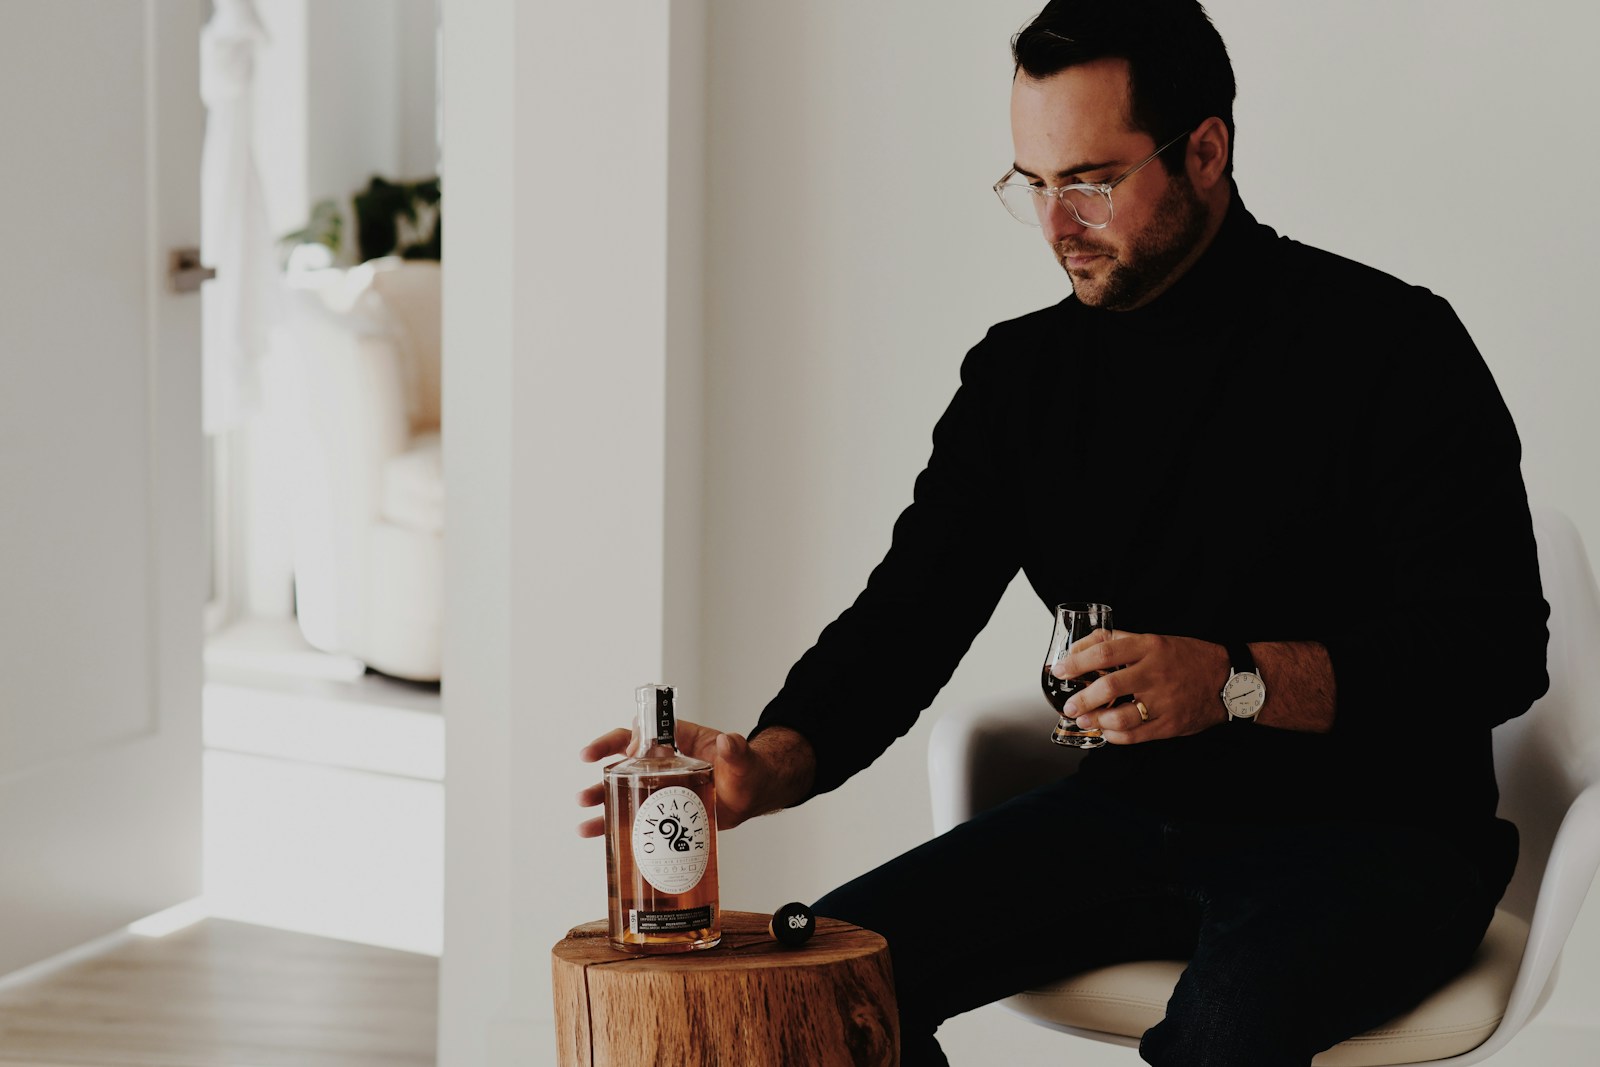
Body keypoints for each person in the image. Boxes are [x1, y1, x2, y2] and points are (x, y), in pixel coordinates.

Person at [577, 2, 1550, 1063]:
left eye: (1089, 181)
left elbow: (1496, 649)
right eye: (1031, 184)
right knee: (818, 992)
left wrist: (1234, 680)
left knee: (1222, 1032)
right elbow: (908, 615)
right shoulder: (1021, 379)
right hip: (1130, 815)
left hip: (1386, 834)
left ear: (1206, 152)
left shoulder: (1392, 344)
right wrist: (767, 764)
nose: (1056, 225)